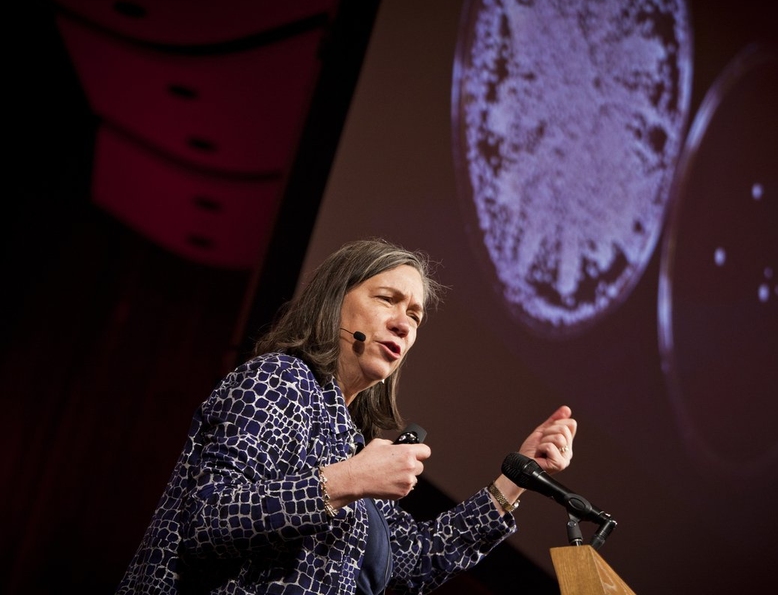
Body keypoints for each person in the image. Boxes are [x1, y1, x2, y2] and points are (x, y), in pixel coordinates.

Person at [116, 237, 577, 595]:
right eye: (387, 299)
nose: (404, 323)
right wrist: (343, 482)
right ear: (336, 300)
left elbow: (413, 562)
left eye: (415, 316)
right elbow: (209, 516)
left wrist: (520, 474)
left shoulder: (349, 442)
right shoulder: (281, 380)